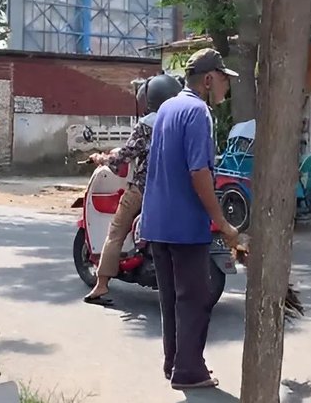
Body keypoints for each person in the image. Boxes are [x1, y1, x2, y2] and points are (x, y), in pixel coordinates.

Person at [140, 48, 240, 389]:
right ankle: (189, 371)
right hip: (185, 226)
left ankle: (174, 363)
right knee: (195, 299)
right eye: (225, 81)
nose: (227, 89)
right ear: (209, 79)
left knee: (171, 299)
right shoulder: (199, 112)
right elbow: (199, 172)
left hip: (158, 223)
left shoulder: (168, 107)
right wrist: (223, 224)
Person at [83, 74, 183, 306]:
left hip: (144, 188)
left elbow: (125, 156)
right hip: (176, 188)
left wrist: (101, 157)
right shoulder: (183, 120)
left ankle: (101, 285)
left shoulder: (146, 125)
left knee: (116, 231)